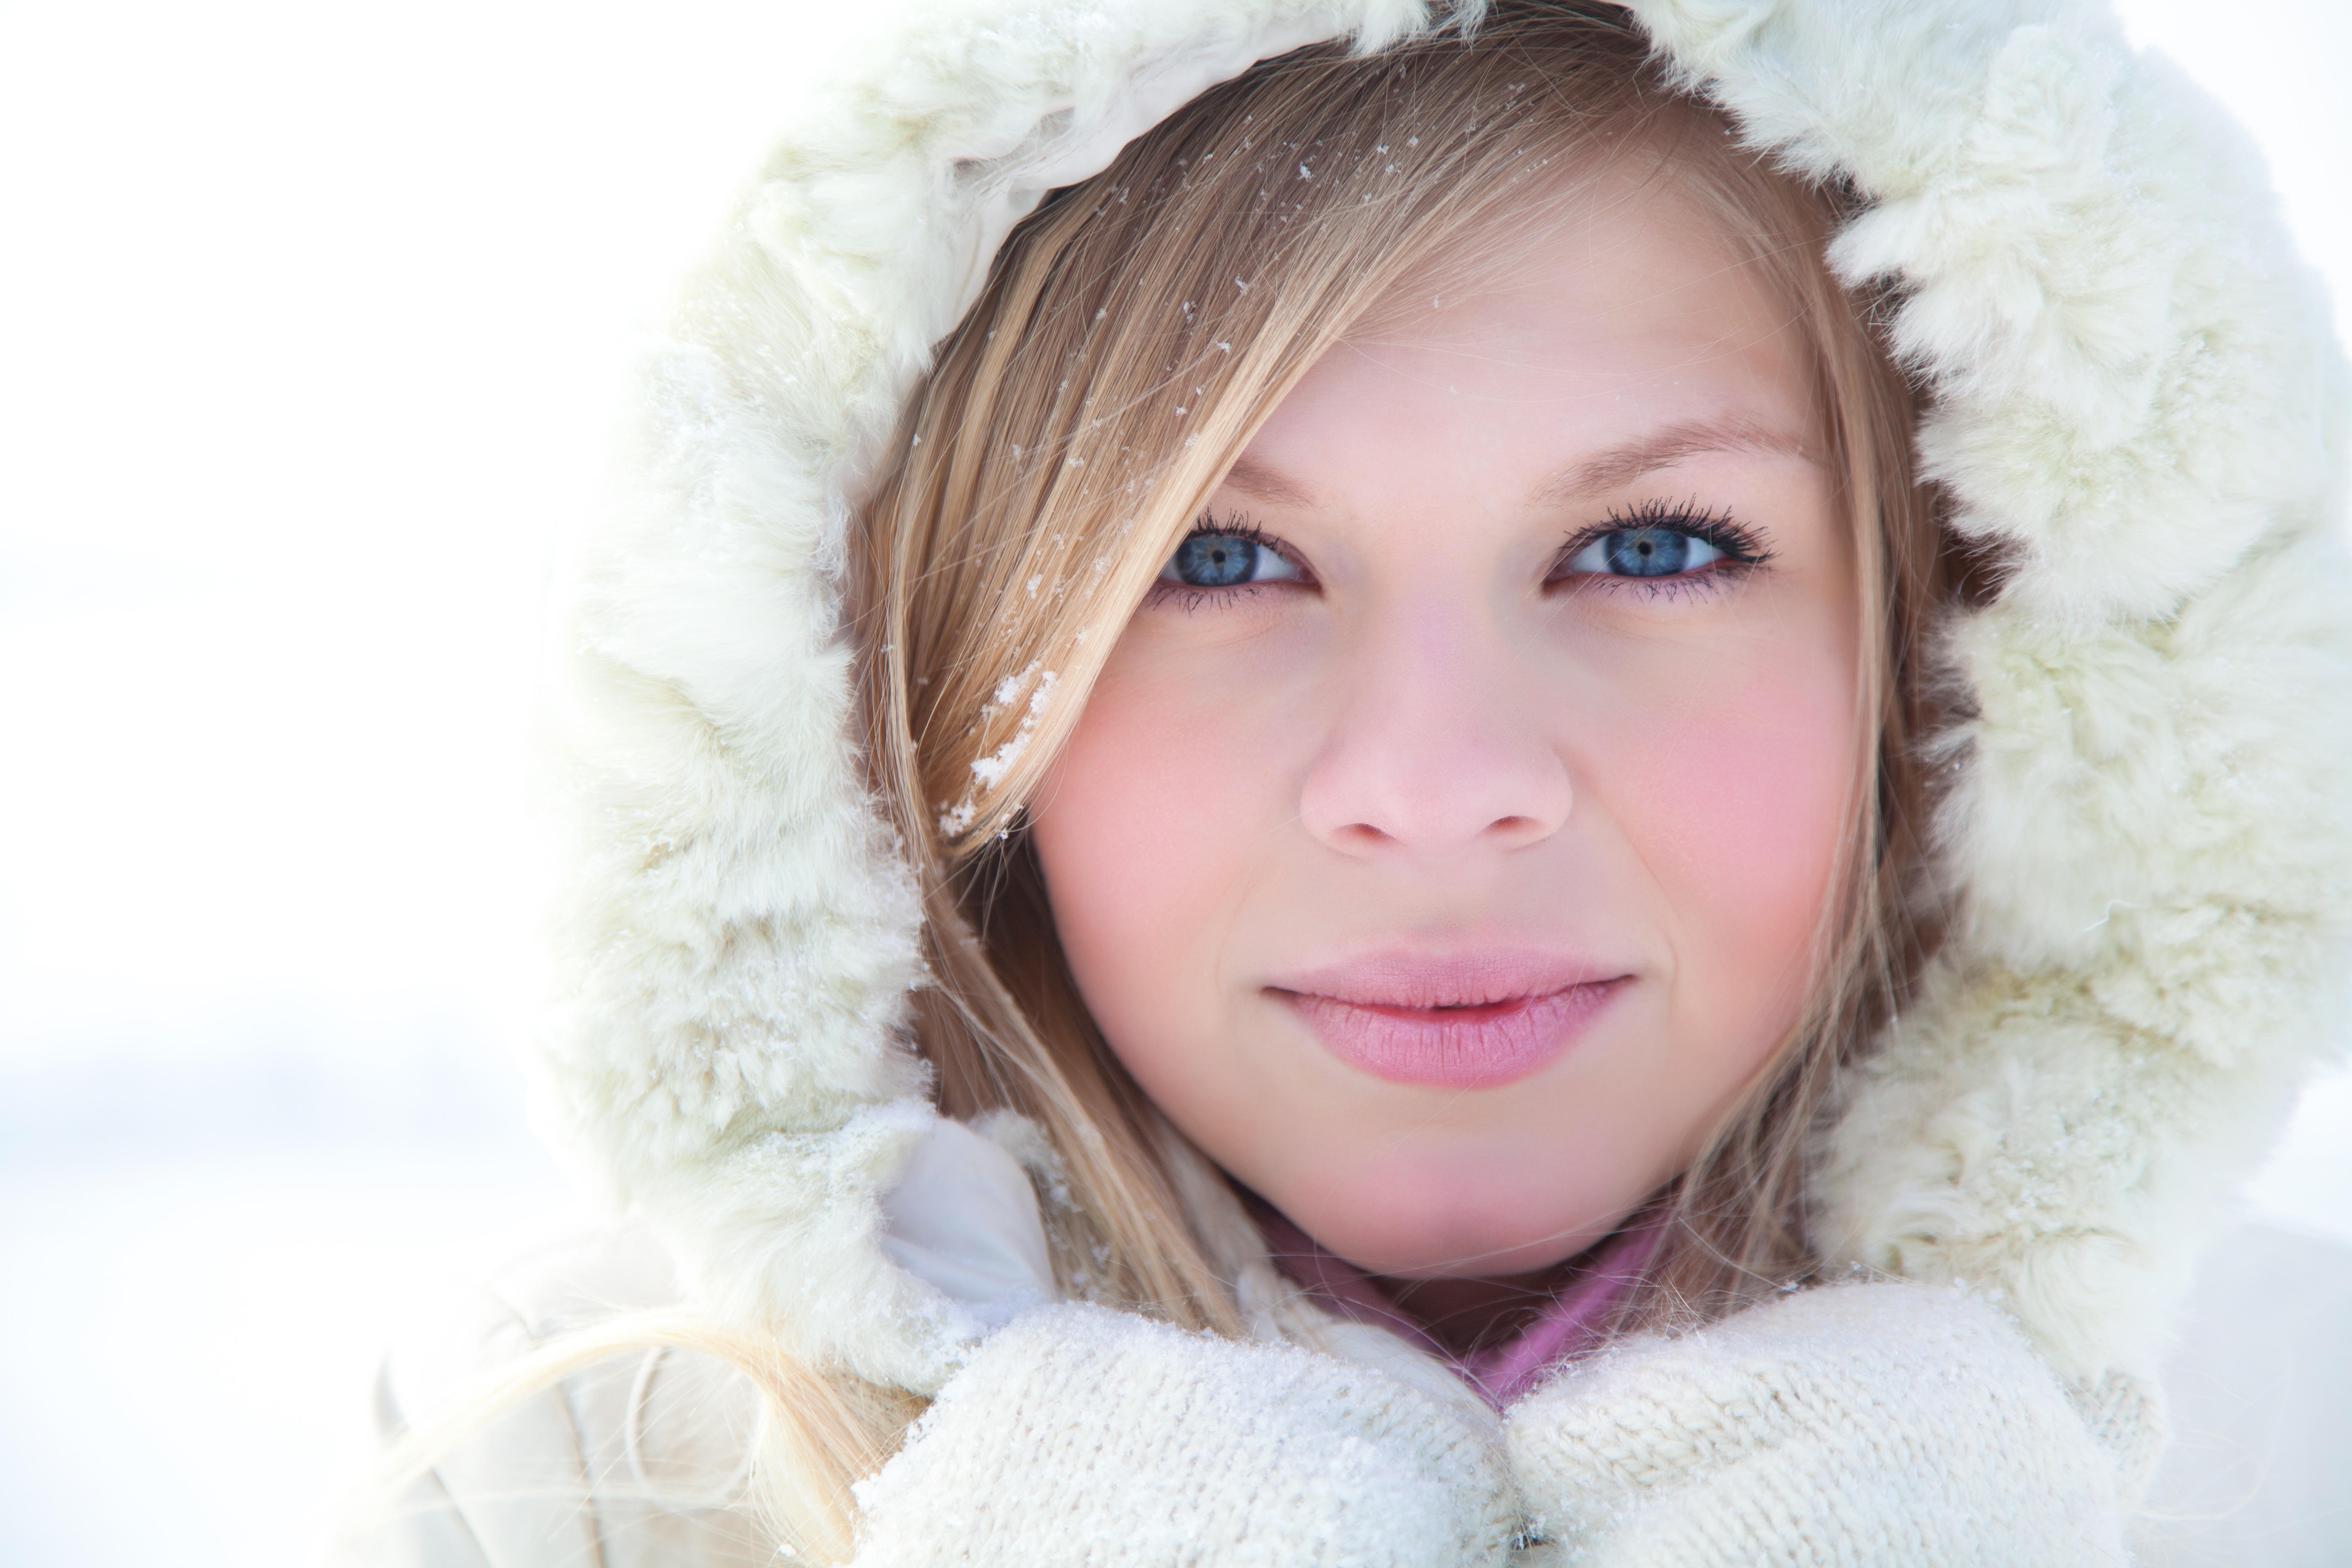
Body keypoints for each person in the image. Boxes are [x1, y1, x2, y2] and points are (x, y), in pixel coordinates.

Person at [347, 0, 2352, 1563]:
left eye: (1654, 545)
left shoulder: (2302, 1455)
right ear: (901, 691)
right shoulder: (583, 1482)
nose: (1435, 784)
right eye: (1212, 562)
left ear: (1969, 643)